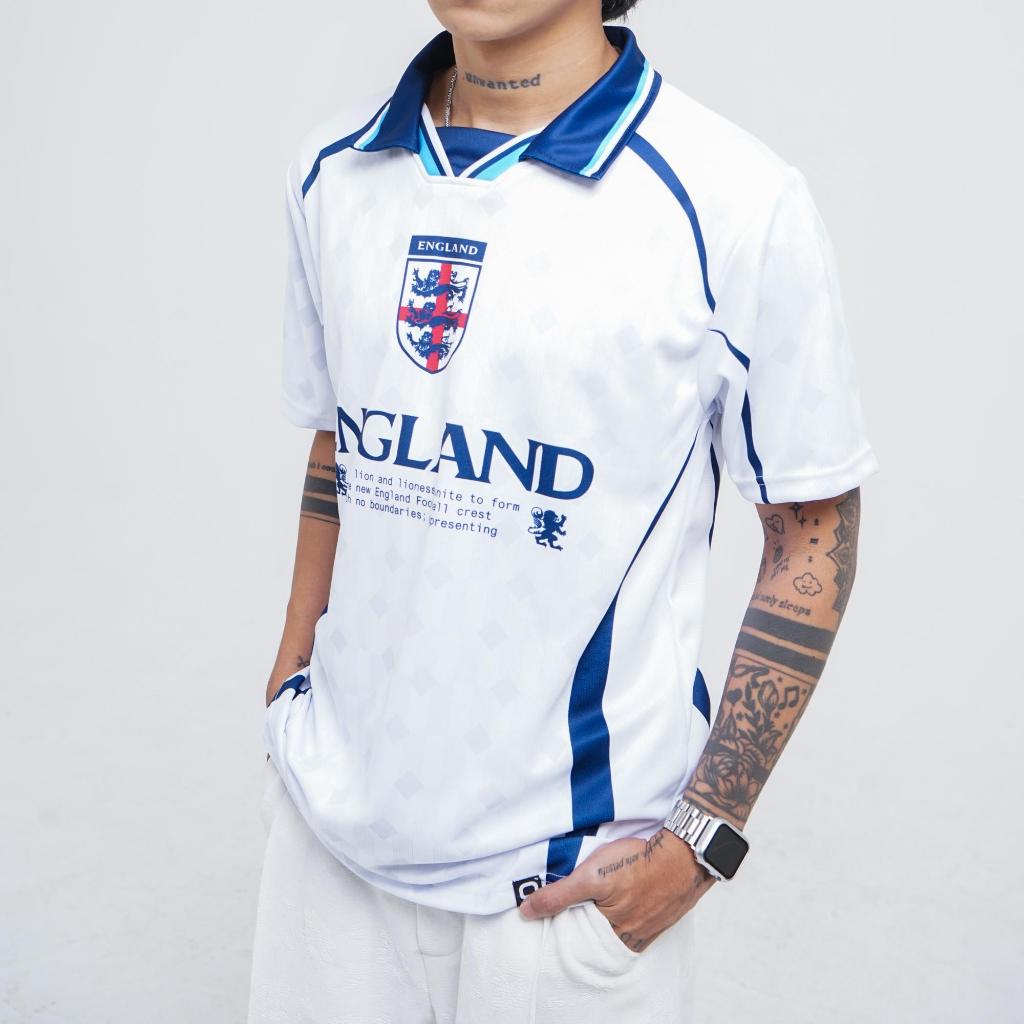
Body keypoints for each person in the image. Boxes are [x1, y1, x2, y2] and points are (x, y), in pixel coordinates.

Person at [248, 0, 880, 1020]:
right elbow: (343, 440)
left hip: (564, 894)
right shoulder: (333, 172)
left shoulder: (733, 200)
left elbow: (812, 529)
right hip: (329, 854)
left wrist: (701, 840)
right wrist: (289, 687)